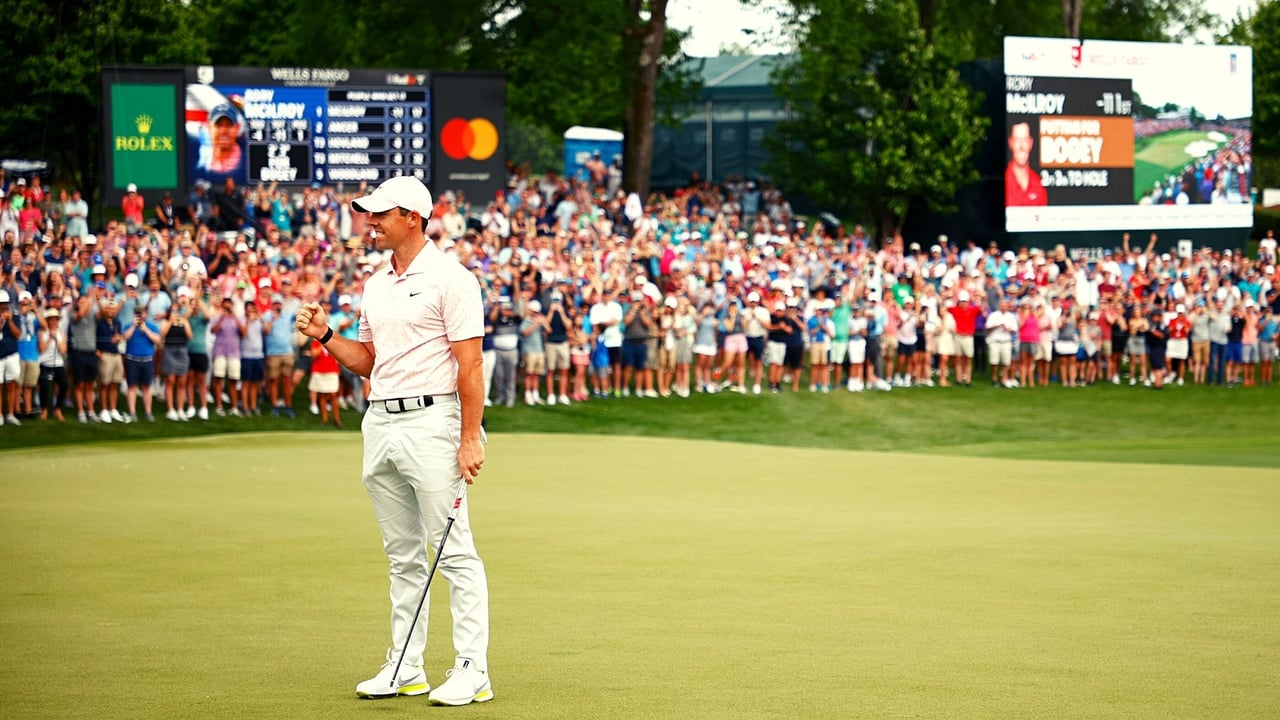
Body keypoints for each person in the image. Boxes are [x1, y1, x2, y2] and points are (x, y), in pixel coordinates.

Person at [293, 176, 491, 706]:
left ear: (413, 217)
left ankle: (473, 669)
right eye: (369, 213)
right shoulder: (376, 283)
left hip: (434, 421)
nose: (371, 221)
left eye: (380, 213)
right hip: (380, 421)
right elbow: (369, 361)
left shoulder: (453, 279)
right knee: (402, 556)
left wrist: (470, 438)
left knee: (453, 551)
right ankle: (405, 667)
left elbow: (469, 364)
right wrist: (327, 336)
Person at [196, 102, 244, 184]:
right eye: (218, 125)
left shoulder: (244, 160)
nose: (223, 131)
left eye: (229, 125)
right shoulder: (201, 160)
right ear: (209, 127)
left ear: (237, 128)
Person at [1005, 122, 1047, 207]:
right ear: (1010, 143)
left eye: (1025, 140)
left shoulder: (1038, 183)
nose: (1021, 147)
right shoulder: (1004, 179)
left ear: (1031, 143)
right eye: (1017, 140)